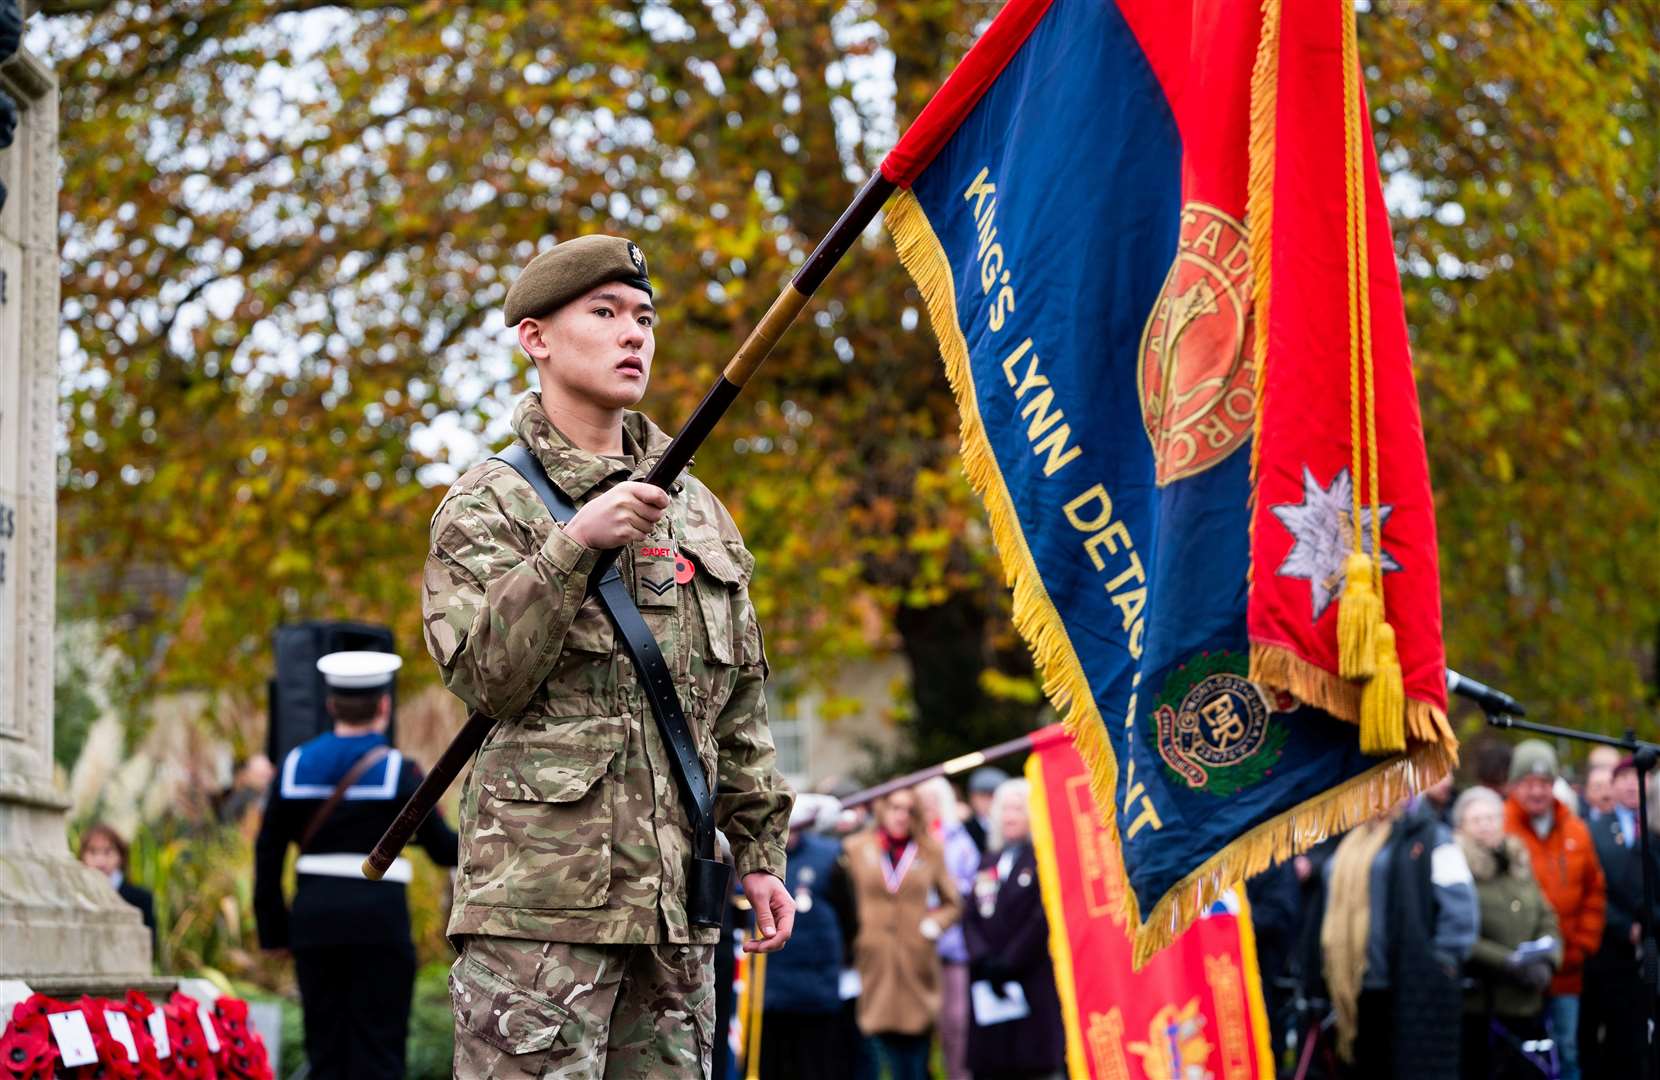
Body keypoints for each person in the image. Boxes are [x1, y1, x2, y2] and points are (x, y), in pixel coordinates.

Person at [422, 234, 795, 1078]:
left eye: (644, 317)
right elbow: (486, 676)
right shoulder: (488, 505)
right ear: (536, 339)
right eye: (605, 313)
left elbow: (736, 708)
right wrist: (568, 548)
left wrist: (761, 856)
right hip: (541, 913)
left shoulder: (697, 511)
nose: (635, 335)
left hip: (675, 913)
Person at [253, 651, 459, 1080]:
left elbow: (267, 853)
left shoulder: (292, 766)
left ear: (331, 706)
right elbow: (444, 850)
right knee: (379, 1050)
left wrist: (274, 930)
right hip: (377, 921)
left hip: (314, 921)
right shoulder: (399, 771)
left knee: (325, 1051)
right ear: (384, 705)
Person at [1317, 799, 1478, 1080]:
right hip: (1352, 990)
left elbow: (1461, 910)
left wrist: (1440, 963)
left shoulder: (1430, 835)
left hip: (1407, 987)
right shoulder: (1349, 836)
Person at [1502, 738, 1605, 1080]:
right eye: (1529, 783)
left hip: (1567, 969)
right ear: (1515, 785)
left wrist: (1583, 945)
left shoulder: (1577, 830)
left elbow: (1594, 890)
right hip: (1516, 973)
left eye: (1544, 783)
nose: (1537, 792)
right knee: (1519, 1055)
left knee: (1567, 1050)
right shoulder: (1499, 829)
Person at [845, 786, 963, 1080]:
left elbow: (953, 902)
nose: (901, 816)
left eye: (908, 810)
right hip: (873, 959)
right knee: (872, 1048)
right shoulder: (857, 848)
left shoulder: (930, 850)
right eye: (895, 808)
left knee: (914, 1053)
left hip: (915, 960)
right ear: (882, 808)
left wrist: (935, 925)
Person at [1452, 786, 1561, 1080]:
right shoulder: (1456, 867)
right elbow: (1459, 935)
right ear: (1461, 825)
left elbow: (1547, 916)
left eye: (1491, 817)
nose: (1486, 824)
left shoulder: (1518, 861)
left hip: (1530, 1001)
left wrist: (1548, 960)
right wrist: (1509, 961)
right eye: (1477, 819)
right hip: (1484, 1006)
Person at [962, 778, 1064, 1080]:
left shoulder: (1043, 861)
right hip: (989, 985)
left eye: (1017, 809)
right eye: (1004, 809)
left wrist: (1010, 961)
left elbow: (1040, 918)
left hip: (1029, 979)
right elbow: (969, 916)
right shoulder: (988, 861)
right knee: (992, 1062)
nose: (1009, 816)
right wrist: (982, 958)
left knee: (1032, 1062)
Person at [754, 794, 856, 1080]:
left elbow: (850, 917)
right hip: (768, 993)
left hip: (816, 991)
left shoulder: (829, 856)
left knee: (817, 1067)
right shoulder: (753, 861)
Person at [1580, 756, 1655, 1076]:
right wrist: (1626, 927)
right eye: (1622, 777)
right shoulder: (1593, 830)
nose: (1630, 784)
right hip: (1610, 947)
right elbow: (1592, 887)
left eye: (1637, 776)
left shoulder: (1654, 828)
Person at [918, 776, 981, 1080]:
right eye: (924, 801)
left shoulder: (959, 840)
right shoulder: (910, 840)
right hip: (915, 945)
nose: (929, 807)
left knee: (956, 1023)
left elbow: (972, 886)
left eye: (934, 801)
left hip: (953, 944)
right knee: (918, 1024)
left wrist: (955, 890)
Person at [79, 822, 156, 955]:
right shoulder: (76, 896)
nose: (100, 860)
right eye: (93, 852)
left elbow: (148, 946)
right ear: (82, 856)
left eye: (108, 852)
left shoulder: (141, 898)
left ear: (120, 856)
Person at [963, 767, 1008, 853]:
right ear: (972, 798)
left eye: (991, 796)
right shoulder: (966, 825)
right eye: (982, 796)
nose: (987, 802)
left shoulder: (1010, 823)